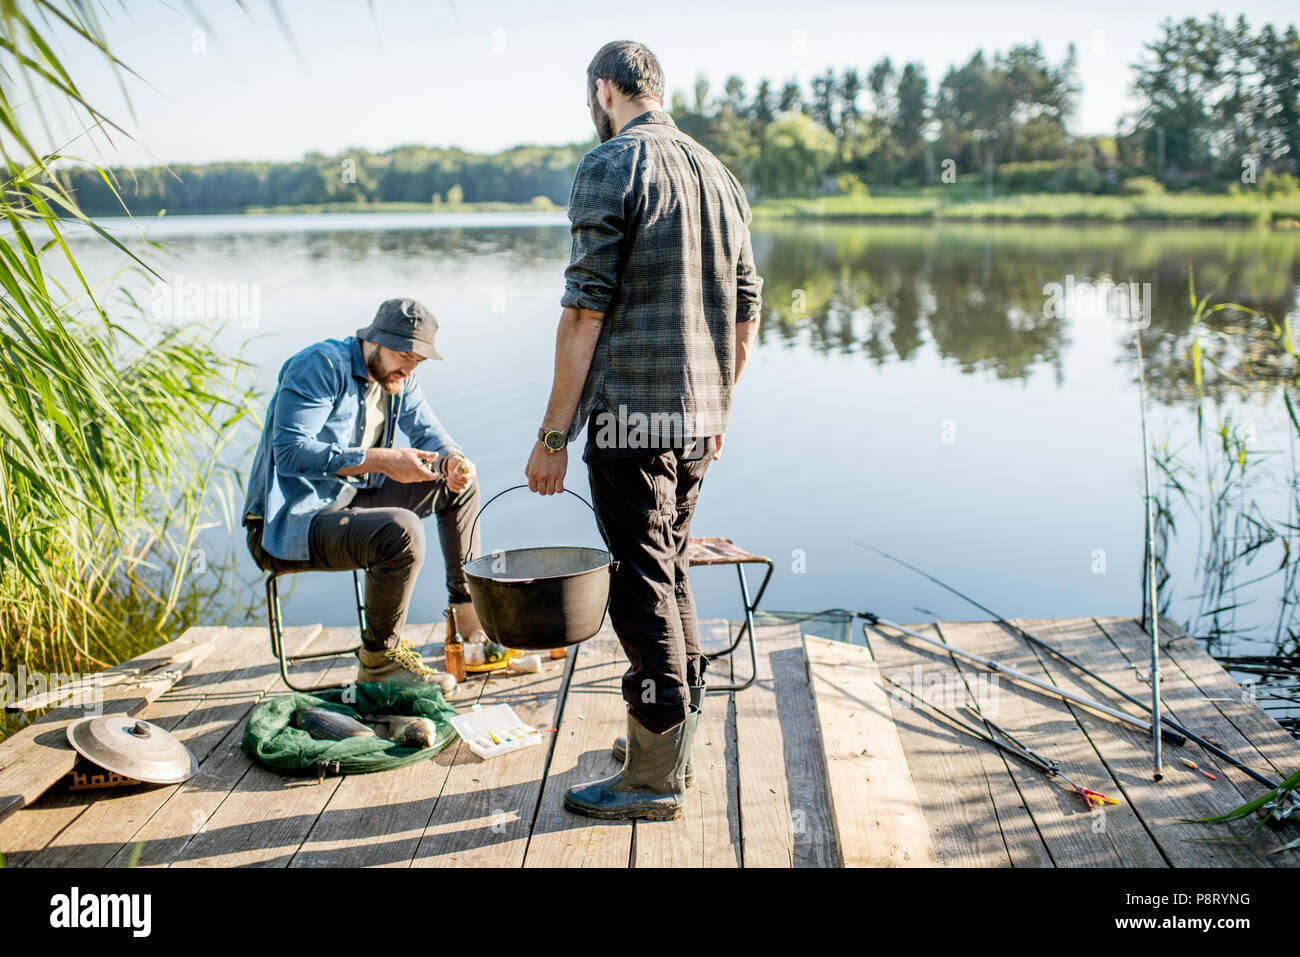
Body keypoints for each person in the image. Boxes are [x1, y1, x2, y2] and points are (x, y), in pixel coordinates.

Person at [524, 40, 763, 820]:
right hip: (698, 418)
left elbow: (585, 307)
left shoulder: (611, 166)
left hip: (632, 414)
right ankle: (670, 746)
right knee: (671, 571)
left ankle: (655, 773)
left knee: (639, 581)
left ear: (604, 90)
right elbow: (748, 304)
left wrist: (554, 435)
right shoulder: (718, 174)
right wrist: (720, 401)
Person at [243, 298, 487, 697]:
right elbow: (289, 453)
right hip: (290, 522)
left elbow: (429, 433)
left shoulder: (399, 378)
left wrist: (453, 461)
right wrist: (379, 460)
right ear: (374, 340)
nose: (409, 369)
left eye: (417, 362)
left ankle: (468, 623)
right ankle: (380, 661)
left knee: (459, 485)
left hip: (348, 500)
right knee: (401, 531)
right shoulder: (321, 365)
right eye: (403, 356)